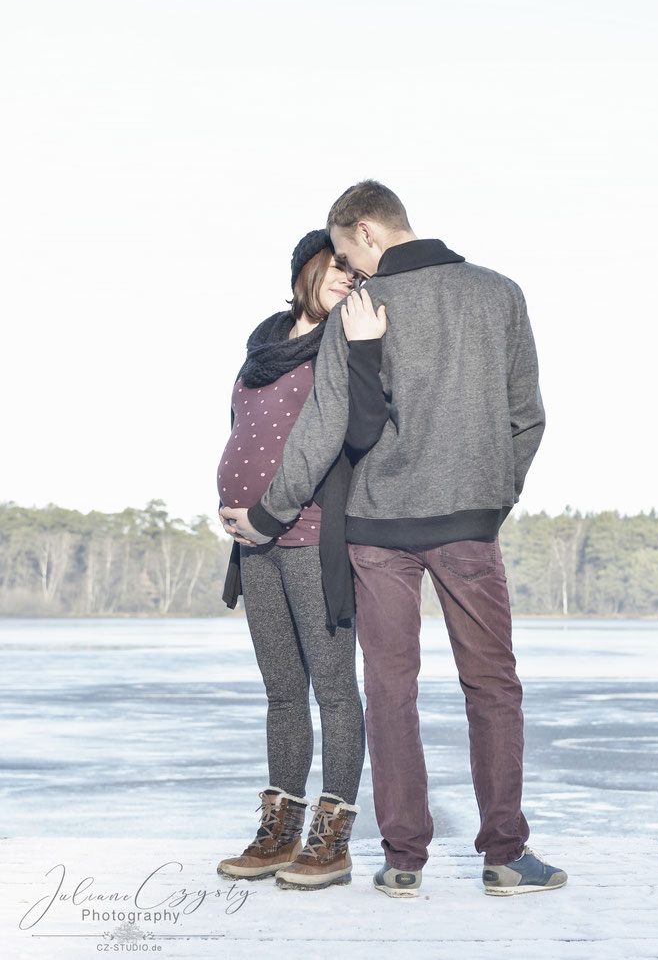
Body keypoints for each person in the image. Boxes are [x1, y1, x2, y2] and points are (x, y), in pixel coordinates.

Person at [222, 181, 568, 898]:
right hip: (469, 525)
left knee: (389, 692)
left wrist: (266, 513)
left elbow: (324, 428)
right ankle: (505, 855)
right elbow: (526, 416)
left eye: (348, 250)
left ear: (367, 231)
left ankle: (403, 860)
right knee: (493, 688)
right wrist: (491, 499)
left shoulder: (358, 309)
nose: (349, 266)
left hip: (375, 529)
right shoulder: (499, 292)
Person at [216, 229, 387, 892]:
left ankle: (330, 840)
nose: (347, 277)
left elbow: (364, 427)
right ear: (305, 269)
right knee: (282, 690)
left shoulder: (349, 340)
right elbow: (244, 427)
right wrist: (235, 503)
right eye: (334, 266)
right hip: (251, 539)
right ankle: (279, 831)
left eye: (355, 269)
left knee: (334, 691)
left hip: (314, 533)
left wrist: (369, 349)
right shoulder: (265, 339)